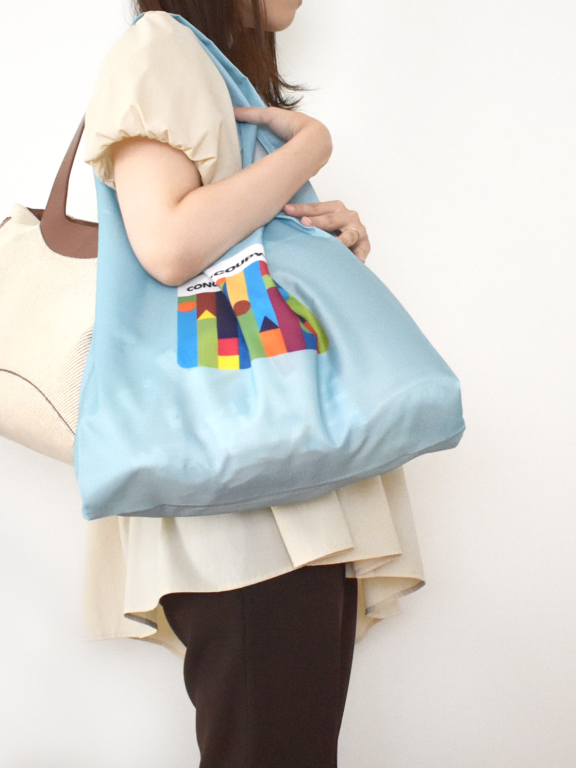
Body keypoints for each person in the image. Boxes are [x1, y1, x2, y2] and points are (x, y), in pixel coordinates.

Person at [78, 2, 426, 765]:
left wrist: (317, 246)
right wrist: (309, 150)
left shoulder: (207, 66)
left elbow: (222, 257)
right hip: (242, 502)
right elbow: (169, 245)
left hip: (274, 482)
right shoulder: (160, 46)